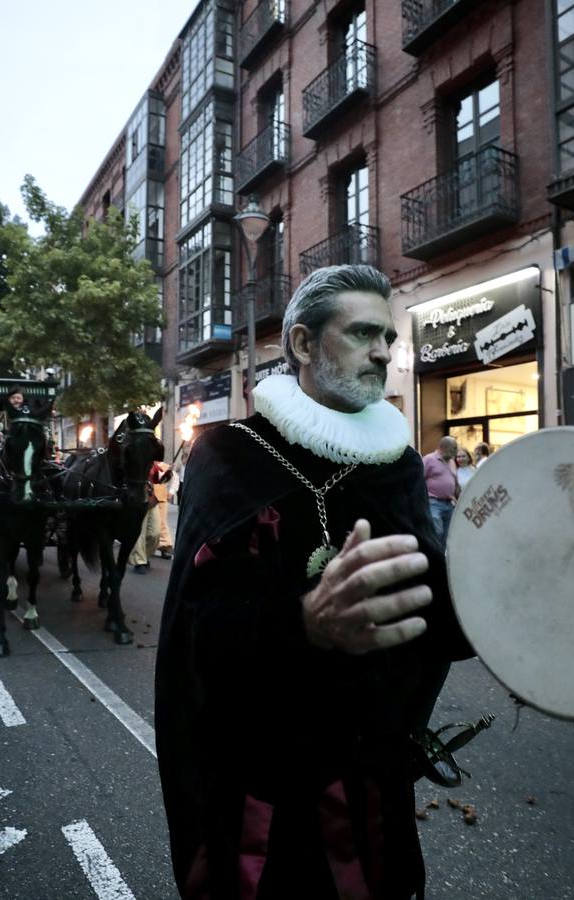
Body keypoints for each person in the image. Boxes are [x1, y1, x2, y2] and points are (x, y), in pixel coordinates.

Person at [155, 265, 474, 898]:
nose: (383, 351)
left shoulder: (402, 466)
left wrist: (502, 612)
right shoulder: (231, 454)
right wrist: (306, 622)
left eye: (387, 335)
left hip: (374, 774)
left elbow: (432, 613)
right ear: (303, 345)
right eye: (362, 333)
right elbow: (200, 633)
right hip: (265, 787)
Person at [128, 460, 173, 573]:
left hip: (152, 498)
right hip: (138, 498)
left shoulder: (154, 463)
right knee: (140, 532)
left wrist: (167, 474)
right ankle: (140, 561)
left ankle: (144, 555)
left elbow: (159, 479)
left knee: (155, 533)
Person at [422, 435, 458, 546]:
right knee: (437, 532)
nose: (456, 451)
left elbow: (454, 481)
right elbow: (420, 480)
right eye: (454, 448)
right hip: (434, 503)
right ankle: (435, 559)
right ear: (444, 447)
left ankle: (443, 560)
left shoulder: (451, 462)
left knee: (448, 535)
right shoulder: (429, 459)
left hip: (449, 503)